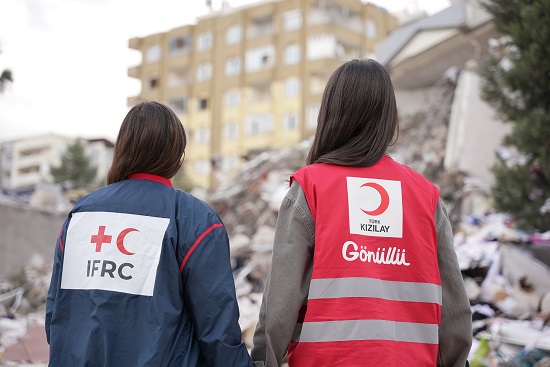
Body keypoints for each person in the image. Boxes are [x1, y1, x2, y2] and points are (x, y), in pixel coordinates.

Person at [251, 59, 472, 367]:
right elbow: (455, 308)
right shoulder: (425, 195)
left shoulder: (311, 187)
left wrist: (263, 361)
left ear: (330, 113)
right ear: (387, 117)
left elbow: (280, 302)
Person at [46, 101, 252, 367]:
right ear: (176, 153)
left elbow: (56, 314)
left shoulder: (82, 214)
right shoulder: (193, 219)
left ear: (123, 148)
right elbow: (218, 331)